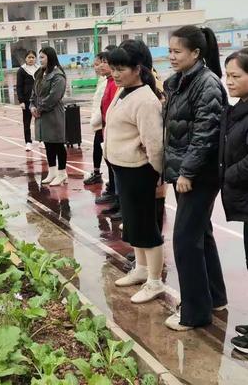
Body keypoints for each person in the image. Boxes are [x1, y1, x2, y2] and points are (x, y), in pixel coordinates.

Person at [163, 26, 227, 331]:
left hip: (197, 174)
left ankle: (195, 313)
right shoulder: (178, 82)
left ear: (196, 53)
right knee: (201, 234)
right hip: (182, 170)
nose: (171, 57)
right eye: (170, 51)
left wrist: (187, 171)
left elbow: (206, 134)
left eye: (177, 52)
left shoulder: (207, 84)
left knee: (185, 240)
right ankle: (214, 297)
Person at [104, 40, 165, 304]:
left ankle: (155, 281)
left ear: (137, 69)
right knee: (132, 223)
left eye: (121, 69)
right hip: (123, 169)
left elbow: (154, 144)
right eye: (113, 68)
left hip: (140, 171)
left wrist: (160, 173)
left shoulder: (145, 100)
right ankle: (140, 269)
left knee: (146, 226)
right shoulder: (123, 91)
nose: (115, 74)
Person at [219, 48, 248, 353]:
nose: (229, 81)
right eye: (227, 75)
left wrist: (227, 174)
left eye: (236, 76)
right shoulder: (239, 107)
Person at [30, 47, 67, 186]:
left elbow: (54, 96)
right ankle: (52, 172)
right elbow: (34, 94)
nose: (40, 60)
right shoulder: (40, 73)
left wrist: (39, 108)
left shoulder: (58, 76)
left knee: (57, 143)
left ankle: (62, 173)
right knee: (47, 143)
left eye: (43, 57)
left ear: (50, 58)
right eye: (39, 57)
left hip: (53, 114)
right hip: (41, 114)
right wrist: (32, 106)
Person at [94, 51, 120, 219]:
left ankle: (121, 203)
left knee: (118, 170)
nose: (101, 65)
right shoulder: (108, 82)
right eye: (100, 62)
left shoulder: (115, 84)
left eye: (105, 62)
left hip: (114, 132)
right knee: (112, 167)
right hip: (107, 130)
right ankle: (117, 201)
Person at [83, 53, 106, 185]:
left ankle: (110, 184)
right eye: (95, 65)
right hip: (99, 122)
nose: (96, 67)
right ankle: (96, 173)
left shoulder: (109, 81)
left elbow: (104, 104)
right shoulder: (102, 80)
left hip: (102, 122)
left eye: (99, 64)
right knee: (97, 147)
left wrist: (95, 121)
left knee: (103, 150)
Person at [16, 50, 42, 151]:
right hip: (26, 101)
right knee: (27, 122)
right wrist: (21, 101)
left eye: (33, 57)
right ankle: (28, 142)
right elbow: (19, 86)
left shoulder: (39, 69)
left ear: (35, 58)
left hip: (38, 99)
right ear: (25, 58)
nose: (31, 59)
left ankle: (41, 140)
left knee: (40, 121)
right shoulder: (21, 70)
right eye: (29, 57)